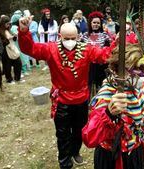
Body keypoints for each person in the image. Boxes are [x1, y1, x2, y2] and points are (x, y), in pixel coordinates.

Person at [18, 19, 116, 168]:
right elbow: (29, 48)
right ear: (59, 36)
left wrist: (119, 41)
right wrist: (24, 32)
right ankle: (64, 162)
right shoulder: (50, 49)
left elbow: (105, 55)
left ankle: (75, 151)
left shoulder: (86, 49)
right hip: (62, 100)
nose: (70, 41)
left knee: (80, 130)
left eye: (73, 38)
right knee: (62, 134)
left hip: (82, 99)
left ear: (78, 37)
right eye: (66, 38)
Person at [82, 43, 144, 169]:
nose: (139, 74)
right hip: (113, 157)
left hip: (135, 151)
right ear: (116, 69)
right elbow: (89, 138)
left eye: (141, 68)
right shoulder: (107, 95)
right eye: (133, 69)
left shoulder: (134, 86)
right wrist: (108, 113)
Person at [81, 11, 112, 95]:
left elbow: (108, 51)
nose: (96, 24)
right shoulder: (84, 36)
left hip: (101, 67)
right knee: (88, 86)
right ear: (90, 23)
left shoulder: (105, 35)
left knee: (101, 87)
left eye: (98, 23)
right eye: (94, 22)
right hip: (89, 66)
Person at [0, 15, 22, 84]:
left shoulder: (8, 30)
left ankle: (17, 78)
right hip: (5, 51)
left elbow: (13, 38)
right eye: (7, 24)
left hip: (12, 49)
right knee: (7, 66)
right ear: (2, 23)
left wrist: (14, 36)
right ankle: (9, 80)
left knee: (18, 63)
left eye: (9, 24)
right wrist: (7, 39)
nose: (8, 25)